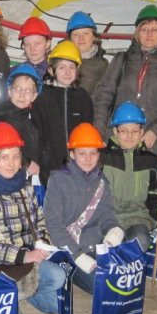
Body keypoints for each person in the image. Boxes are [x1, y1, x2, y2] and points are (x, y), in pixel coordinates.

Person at [0, 122, 66, 314]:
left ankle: (17, 293)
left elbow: (39, 221)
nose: (11, 163)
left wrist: (43, 244)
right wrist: (23, 256)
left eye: (16, 156)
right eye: (4, 157)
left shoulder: (25, 187)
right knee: (55, 280)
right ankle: (6, 292)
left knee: (56, 301)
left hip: (28, 256)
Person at [44, 123, 123, 294]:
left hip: (94, 246)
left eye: (93, 153)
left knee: (121, 279)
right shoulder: (58, 180)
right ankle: (70, 271)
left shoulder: (102, 182)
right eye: (82, 153)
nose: (88, 159)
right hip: (67, 249)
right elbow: (54, 224)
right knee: (102, 285)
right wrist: (78, 255)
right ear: (72, 154)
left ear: (98, 154)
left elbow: (106, 215)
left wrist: (114, 230)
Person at [93, 4, 157, 154]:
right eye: (144, 29)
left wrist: (156, 130)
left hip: (149, 142)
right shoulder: (122, 60)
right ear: (137, 33)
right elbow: (103, 97)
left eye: (155, 29)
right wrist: (100, 133)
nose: (149, 34)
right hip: (117, 139)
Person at [101, 102, 157, 251]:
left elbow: (154, 194)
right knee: (104, 245)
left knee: (141, 242)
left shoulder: (151, 161)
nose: (129, 136)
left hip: (137, 218)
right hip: (108, 218)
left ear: (141, 132)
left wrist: (154, 218)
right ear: (115, 132)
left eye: (135, 131)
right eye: (124, 131)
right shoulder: (103, 159)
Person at [32, 40, 94, 183]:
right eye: (62, 67)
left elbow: (87, 133)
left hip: (78, 169)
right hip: (49, 169)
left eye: (72, 67)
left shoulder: (83, 97)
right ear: (51, 70)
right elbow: (35, 133)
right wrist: (37, 160)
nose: (67, 72)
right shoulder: (42, 96)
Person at [0, 63, 42, 178]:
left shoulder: (34, 117)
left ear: (34, 96)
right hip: (7, 175)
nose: (22, 95)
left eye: (28, 91)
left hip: (28, 176)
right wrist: (27, 162)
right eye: (18, 89)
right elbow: (1, 152)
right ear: (9, 91)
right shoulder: (0, 118)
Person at [66, 11, 108, 97]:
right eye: (76, 34)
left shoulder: (103, 65)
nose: (81, 38)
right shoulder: (59, 61)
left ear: (94, 37)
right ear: (70, 39)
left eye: (86, 33)